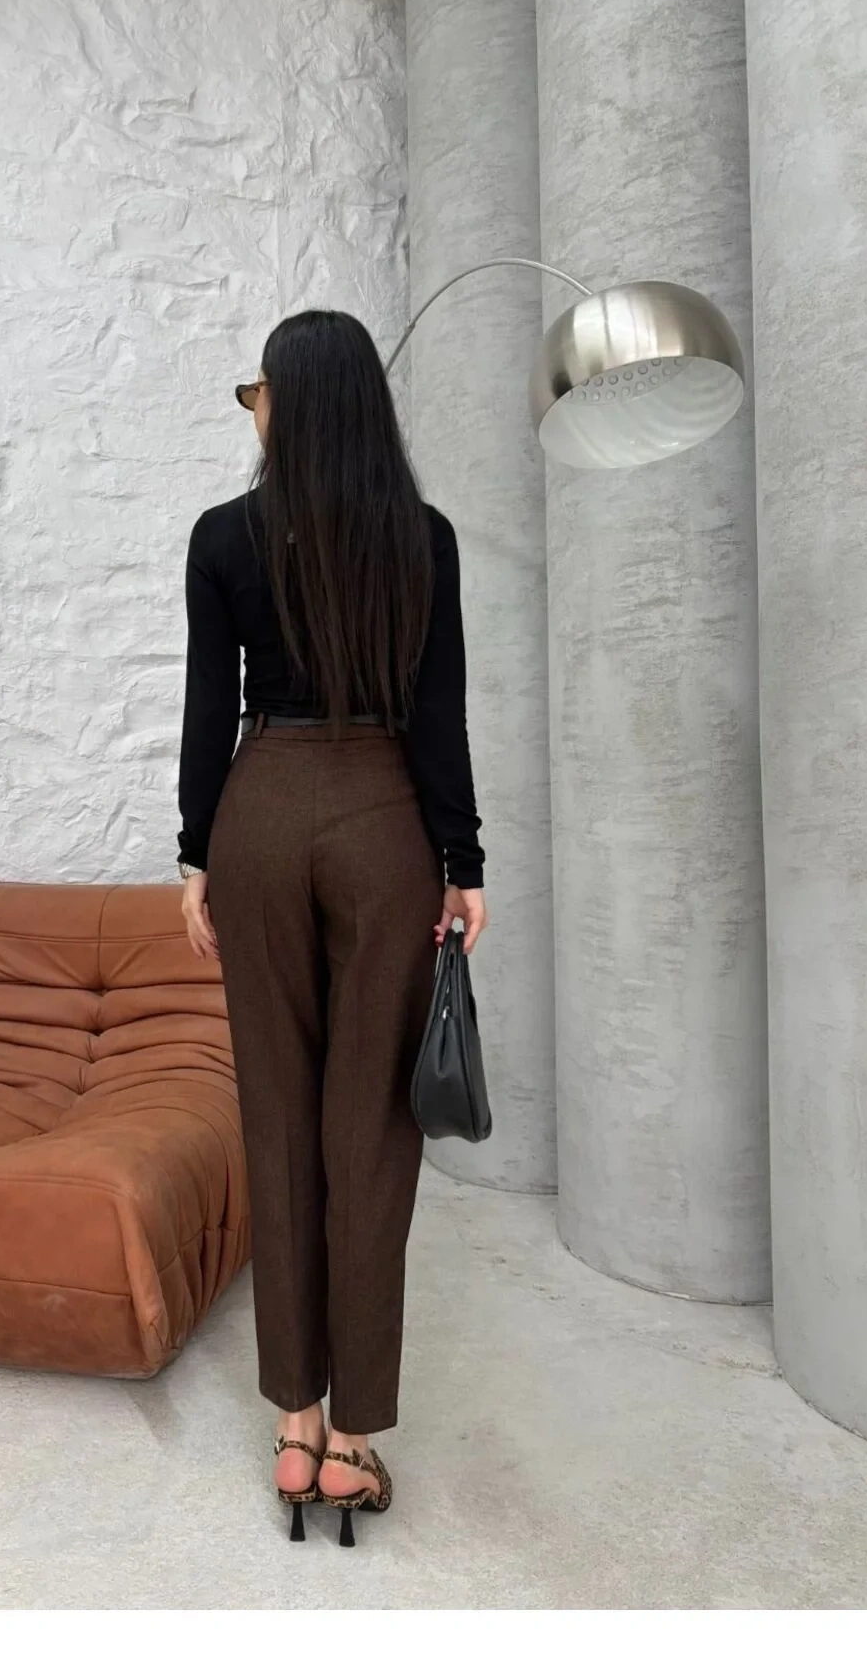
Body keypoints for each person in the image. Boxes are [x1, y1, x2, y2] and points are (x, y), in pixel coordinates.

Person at [175, 308, 488, 1544]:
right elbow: (438, 712)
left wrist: (196, 853)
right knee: (371, 1126)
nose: (251, 408)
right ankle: (356, 1438)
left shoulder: (223, 537)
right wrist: (462, 863)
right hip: (381, 822)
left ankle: (295, 1425)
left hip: (259, 811)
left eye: (257, 390)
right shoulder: (422, 538)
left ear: (292, 403)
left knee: (277, 1111)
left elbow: (210, 707)